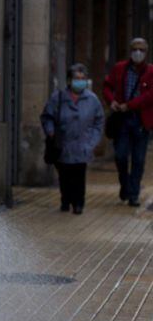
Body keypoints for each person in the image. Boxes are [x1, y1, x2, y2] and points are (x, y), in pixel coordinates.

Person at [41, 64, 104, 215]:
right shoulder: (59, 97)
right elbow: (47, 116)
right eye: (77, 78)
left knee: (79, 175)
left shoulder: (92, 99)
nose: (80, 81)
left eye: (83, 79)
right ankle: (65, 199)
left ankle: (78, 203)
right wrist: (50, 132)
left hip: (83, 145)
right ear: (70, 80)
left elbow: (99, 122)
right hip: (62, 144)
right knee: (64, 175)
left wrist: (92, 141)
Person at [103, 38, 153, 207]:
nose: (137, 52)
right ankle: (125, 185)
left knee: (138, 159)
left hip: (141, 120)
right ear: (130, 51)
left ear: (146, 52)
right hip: (122, 120)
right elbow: (107, 86)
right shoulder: (119, 68)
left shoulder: (151, 71)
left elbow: (149, 96)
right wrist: (112, 101)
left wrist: (129, 105)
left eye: (141, 50)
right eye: (135, 49)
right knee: (121, 155)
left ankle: (133, 194)